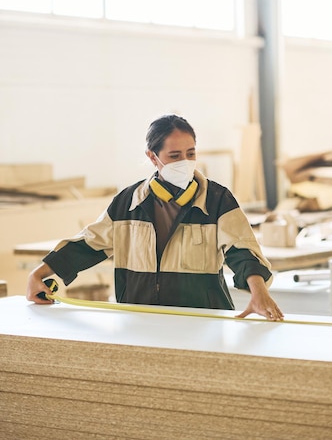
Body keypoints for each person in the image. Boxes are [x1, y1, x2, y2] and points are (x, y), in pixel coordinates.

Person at [27, 114, 284, 321]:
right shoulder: (127, 203)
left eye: (191, 153)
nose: (185, 161)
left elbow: (242, 251)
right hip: (140, 319)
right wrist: (38, 274)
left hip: (203, 321)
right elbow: (88, 245)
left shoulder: (217, 200)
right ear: (152, 157)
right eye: (174, 156)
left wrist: (258, 291)